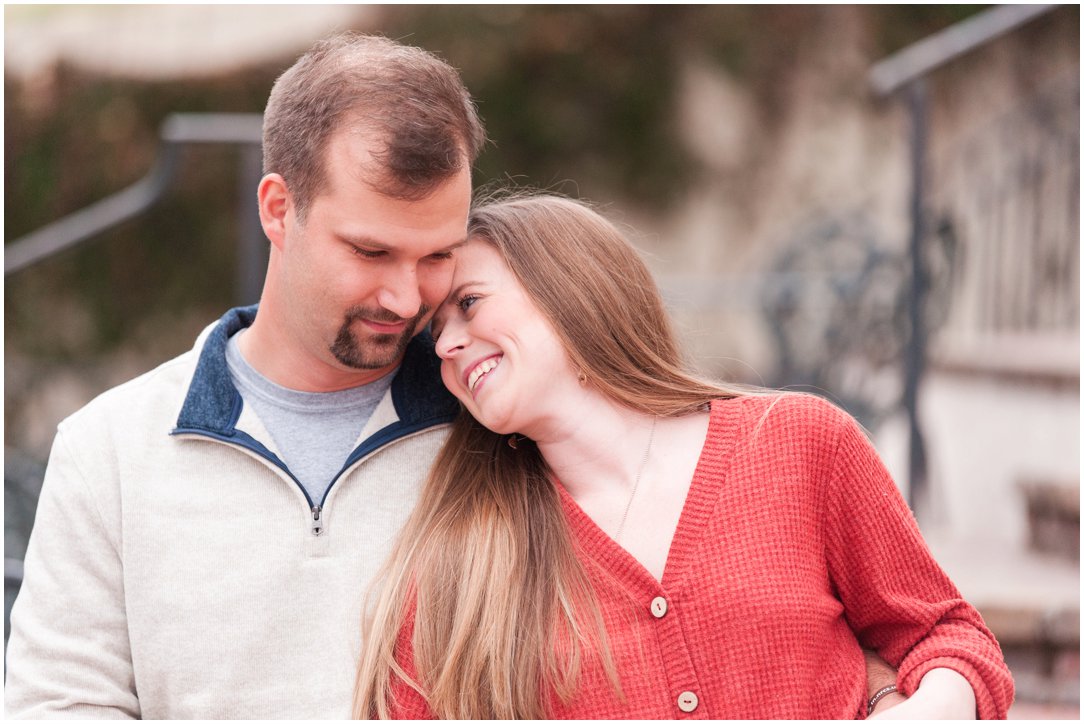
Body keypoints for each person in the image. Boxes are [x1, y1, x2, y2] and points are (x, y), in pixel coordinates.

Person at [353, 193, 1015, 719]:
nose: (446, 347)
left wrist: (927, 709)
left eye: (468, 305)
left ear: (571, 289)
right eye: (436, 334)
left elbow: (948, 636)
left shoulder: (801, 444)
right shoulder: (462, 557)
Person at [5, 33, 485, 719]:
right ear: (277, 209)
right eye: (370, 251)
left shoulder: (500, 426)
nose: (406, 299)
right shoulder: (106, 451)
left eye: (437, 255)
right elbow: (57, 706)